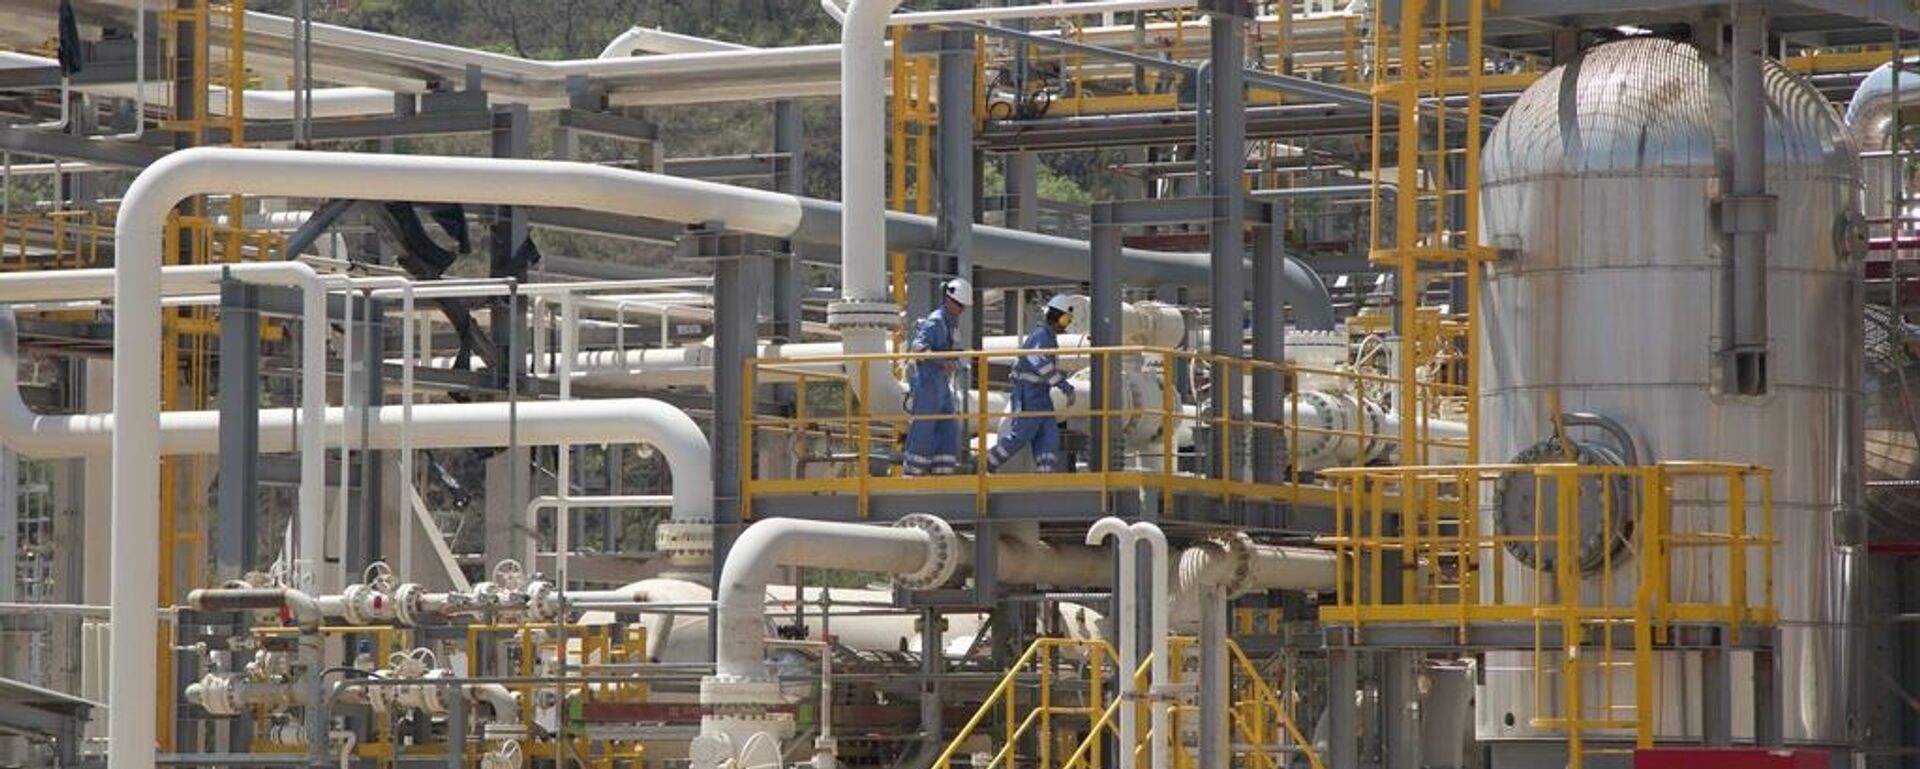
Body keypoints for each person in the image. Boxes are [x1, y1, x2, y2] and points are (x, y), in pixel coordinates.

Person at [988, 294, 1077, 473]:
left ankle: (1045, 473)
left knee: (1049, 436)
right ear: (1059, 317)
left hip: (1041, 396)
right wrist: (1063, 385)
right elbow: (1039, 362)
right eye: (1067, 319)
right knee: (1019, 436)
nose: (1067, 324)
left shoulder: (1049, 337)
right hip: (1028, 396)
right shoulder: (1042, 335)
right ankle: (985, 464)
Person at [902, 278, 972, 476]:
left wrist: (957, 359)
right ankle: (912, 474)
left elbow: (951, 350)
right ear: (948, 300)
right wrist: (943, 362)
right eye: (958, 305)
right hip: (928, 383)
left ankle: (943, 472)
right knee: (924, 429)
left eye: (963, 307)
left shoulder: (950, 323)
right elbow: (918, 348)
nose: (960, 310)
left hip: (940, 383)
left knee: (948, 429)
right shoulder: (936, 321)